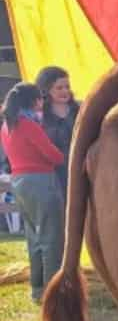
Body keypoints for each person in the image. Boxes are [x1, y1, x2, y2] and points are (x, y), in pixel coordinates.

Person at [0, 82, 66, 302]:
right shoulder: (29, 125)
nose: (42, 102)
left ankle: (38, 290)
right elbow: (53, 155)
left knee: (34, 239)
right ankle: (53, 292)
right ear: (33, 100)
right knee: (52, 237)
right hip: (40, 181)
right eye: (40, 98)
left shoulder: (7, 126)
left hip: (19, 182)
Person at [34, 65, 78, 194]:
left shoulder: (79, 111)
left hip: (79, 170)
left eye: (67, 87)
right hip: (53, 178)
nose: (65, 91)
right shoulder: (39, 116)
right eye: (59, 88)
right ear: (46, 90)